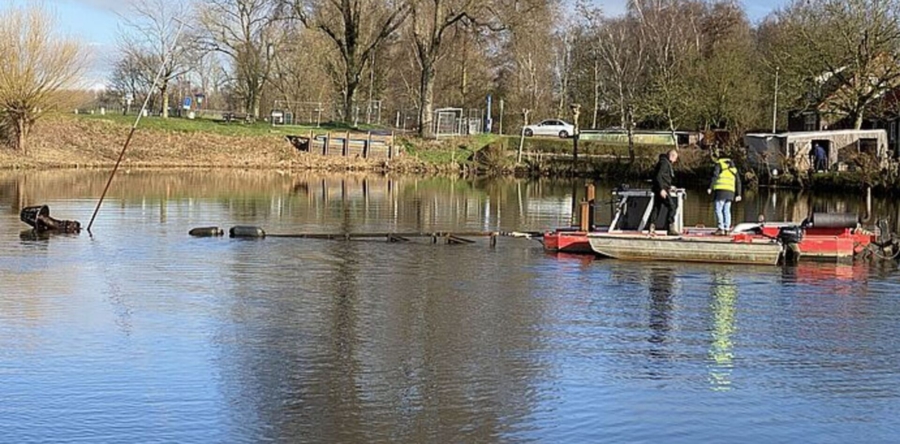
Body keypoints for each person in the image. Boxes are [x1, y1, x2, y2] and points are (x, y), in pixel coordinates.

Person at [707, 157, 742, 235]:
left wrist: (710, 187)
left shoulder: (719, 164)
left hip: (721, 191)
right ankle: (727, 228)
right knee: (727, 210)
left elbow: (715, 176)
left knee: (718, 209)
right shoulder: (733, 167)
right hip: (730, 192)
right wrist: (739, 194)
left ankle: (721, 228)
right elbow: (738, 181)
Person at [648, 149, 679, 235]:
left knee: (657, 208)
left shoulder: (663, 162)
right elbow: (658, 176)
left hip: (661, 188)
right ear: (672, 156)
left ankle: (651, 226)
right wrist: (662, 189)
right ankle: (670, 226)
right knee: (672, 206)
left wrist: (670, 187)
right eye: (675, 158)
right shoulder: (664, 163)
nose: (675, 160)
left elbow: (664, 177)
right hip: (662, 190)